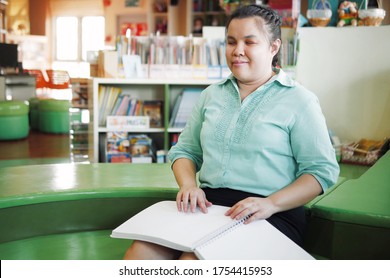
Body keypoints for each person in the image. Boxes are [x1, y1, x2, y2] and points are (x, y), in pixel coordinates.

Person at [123, 4, 339, 260]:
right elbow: (185, 151)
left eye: (250, 42)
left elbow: (320, 172)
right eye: (231, 42)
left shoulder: (300, 100)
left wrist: (270, 203)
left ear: (274, 47)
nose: (238, 51)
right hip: (208, 207)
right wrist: (189, 185)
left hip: (271, 213)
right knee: (140, 254)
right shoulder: (211, 95)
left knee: (192, 262)